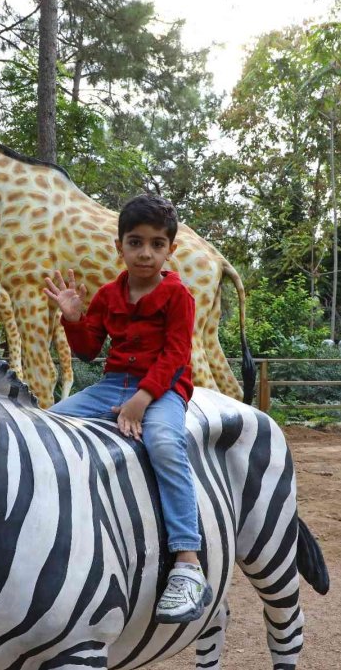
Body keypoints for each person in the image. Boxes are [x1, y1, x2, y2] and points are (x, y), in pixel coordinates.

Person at [43, 194, 211, 624]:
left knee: (164, 443)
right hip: (112, 385)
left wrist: (142, 400)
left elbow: (176, 355)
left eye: (157, 244)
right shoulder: (107, 294)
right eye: (136, 242)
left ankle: (188, 562)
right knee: (49, 425)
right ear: (120, 246)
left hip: (165, 389)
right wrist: (72, 317)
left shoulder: (178, 296)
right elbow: (87, 351)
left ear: (170, 250)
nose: (145, 253)